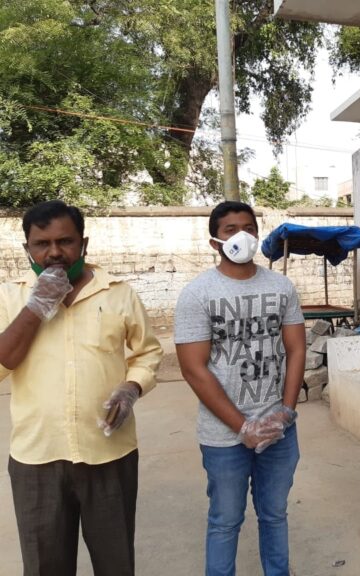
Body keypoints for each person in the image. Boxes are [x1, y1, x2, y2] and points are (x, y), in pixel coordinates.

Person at [0, 200, 163, 576]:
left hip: (109, 452)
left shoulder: (118, 293)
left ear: (83, 244)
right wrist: (36, 306)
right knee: (45, 567)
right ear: (27, 249)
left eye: (65, 241)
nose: (54, 252)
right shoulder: (11, 297)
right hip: (37, 456)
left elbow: (148, 353)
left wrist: (132, 387)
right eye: (41, 244)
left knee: (116, 563)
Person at [175, 201, 306, 576]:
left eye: (248, 227)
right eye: (231, 229)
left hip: (280, 429)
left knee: (274, 515)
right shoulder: (198, 294)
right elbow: (193, 368)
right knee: (225, 520)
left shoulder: (281, 287)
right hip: (223, 436)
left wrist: (286, 411)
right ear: (215, 240)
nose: (241, 236)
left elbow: (296, 349)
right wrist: (242, 426)